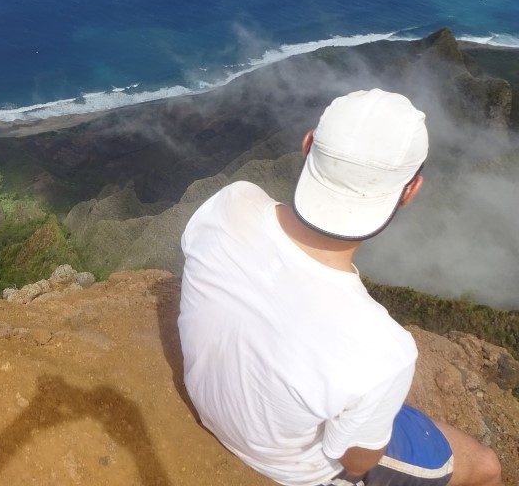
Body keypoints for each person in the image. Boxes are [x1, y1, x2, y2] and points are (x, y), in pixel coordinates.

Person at [178, 89, 502, 486]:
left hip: (209, 405)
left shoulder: (228, 204)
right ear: (410, 191)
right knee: (486, 467)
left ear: (308, 143)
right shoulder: (384, 351)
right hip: (293, 466)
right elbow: (357, 462)